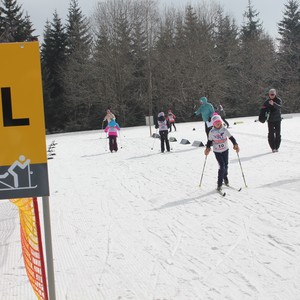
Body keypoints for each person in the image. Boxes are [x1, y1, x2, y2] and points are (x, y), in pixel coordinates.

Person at [204, 114, 239, 191]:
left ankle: (225, 176)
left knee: (226, 165)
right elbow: (209, 141)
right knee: (222, 166)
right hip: (217, 151)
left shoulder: (224, 130)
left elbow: (231, 138)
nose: (218, 123)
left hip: (225, 150)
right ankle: (219, 183)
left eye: (219, 122)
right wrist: (207, 148)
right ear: (213, 124)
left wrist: (235, 144)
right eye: (216, 122)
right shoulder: (211, 132)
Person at [262, 88, 282, 153]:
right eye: (270, 94)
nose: (272, 95)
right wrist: (262, 116)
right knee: (271, 134)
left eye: (273, 94)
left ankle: (277, 147)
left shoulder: (278, 100)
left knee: (278, 134)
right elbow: (263, 110)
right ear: (269, 94)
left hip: (277, 119)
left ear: (275, 94)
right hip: (270, 120)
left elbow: (279, 107)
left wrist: (273, 104)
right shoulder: (266, 101)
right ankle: (273, 147)